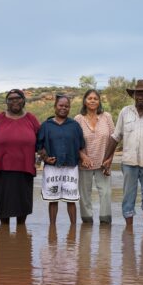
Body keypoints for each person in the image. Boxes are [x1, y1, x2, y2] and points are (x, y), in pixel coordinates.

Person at [102, 80, 143, 227]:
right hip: (129, 163)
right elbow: (115, 137)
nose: (141, 97)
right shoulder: (125, 112)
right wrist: (106, 159)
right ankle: (129, 230)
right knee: (128, 197)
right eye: (138, 94)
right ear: (134, 96)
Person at [0, 89, 40, 225]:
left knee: (23, 207)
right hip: (2, 168)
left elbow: (41, 139)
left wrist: (42, 157)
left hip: (25, 168)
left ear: (23, 100)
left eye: (17, 98)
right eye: (10, 99)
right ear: (7, 102)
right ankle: (3, 234)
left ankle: (21, 236)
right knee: (3, 207)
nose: (14, 101)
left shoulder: (31, 118)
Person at [36, 94, 85, 224]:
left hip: (71, 167)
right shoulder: (46, 125)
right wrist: (45, 158)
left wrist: (84, 159)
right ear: (55, 106)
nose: (63, 108)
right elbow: (39, 146)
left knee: (71, 200)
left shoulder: (74, 126)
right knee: (53, 200)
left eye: (66, 106)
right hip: (52, 168)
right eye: (61, 105)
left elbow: (81, 146)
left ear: (69, 108)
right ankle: (52, 229)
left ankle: (73, 229)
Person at [74, 89, 115, 224]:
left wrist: (109, 159)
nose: (92, 101)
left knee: (106, 193)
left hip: (103, 163)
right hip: (84, 163)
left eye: (95, 99)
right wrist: (83, 156)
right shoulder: (78, 119)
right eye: (90, 98)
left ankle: (105, 223)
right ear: (85, 101)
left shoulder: (106, 117)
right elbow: (73, 141)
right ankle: (86, 225)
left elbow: (114, 139)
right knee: (84, 195)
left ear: (99, 102)